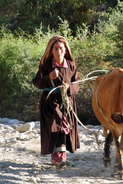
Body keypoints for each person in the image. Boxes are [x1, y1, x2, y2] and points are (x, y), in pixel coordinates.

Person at [32, 35, 80, 167]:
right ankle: (58, 156)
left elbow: (77, 84)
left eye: (61, 48)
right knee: (58, 124)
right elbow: (37, 82)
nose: (59, 51)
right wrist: (49, 77)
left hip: (67, 102)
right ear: (51, 51)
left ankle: (59, 156)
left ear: (66, 51)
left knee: (65, 127)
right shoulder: (46, 66)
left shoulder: (71, 66)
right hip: (50, 102)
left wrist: (69, 87)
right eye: (56, 48)